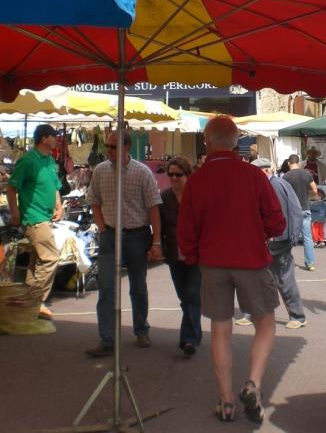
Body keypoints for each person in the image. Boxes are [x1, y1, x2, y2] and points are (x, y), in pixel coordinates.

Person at [178, 116, 285, 424]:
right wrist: (260, 233)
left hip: (212, 263)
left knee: (220, 330)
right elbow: (277, 221)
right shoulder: (253, 175)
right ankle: (253, 383)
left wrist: (196, 256)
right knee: (265, 323)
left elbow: (186, 231)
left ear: (207, 141)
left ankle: (226, 402)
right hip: (251, 259)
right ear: (237, 141)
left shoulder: (196, 180)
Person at [85, 130, 163, 358]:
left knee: (138, 286)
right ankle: (106, 339)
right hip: (110, 234)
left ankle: (141, 330)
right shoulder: (100, 171)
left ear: (127, 148)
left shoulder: (142, 172)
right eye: (107, 147)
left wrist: (156, 241)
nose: (108, 151)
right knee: (107, 287)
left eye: (113, 147)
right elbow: (93, 201)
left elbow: (153, 208)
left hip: (137, 236)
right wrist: (101, 227)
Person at [7, 124, 63, 320]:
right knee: (50, 258)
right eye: (54, 136)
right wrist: (15, 212)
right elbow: (11, 188)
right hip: (34, 218)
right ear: (44, 138)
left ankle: (27, 304)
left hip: (45, 217)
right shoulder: (28, 161)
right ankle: (35, 302)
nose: (57, 139)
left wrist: (59, 206)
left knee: (37, 261)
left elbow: (55, 186)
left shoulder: (49, 160)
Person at [251, 157, 307, 329]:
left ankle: (297, 315)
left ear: (266, 170)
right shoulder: (274, 184)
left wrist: (283, 235)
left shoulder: (273, 185)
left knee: (283, 277)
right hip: (275, 237)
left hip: (277, 238)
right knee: (266, 277)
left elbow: (286, 212)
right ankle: (258, 312)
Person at [159, 157, 201, 356]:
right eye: (171, 174)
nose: (174, 178)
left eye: (178, 174)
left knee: (192, 296)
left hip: (196, 254)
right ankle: (195, 331)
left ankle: (188, 340)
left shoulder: (197, 196)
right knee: (184, 298)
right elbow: (158, 226)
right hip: (174, 255)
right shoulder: (164, 198)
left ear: (188, 175)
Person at [283, 154, 318, 271]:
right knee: (308, 238)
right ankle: (310, 263)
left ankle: (286, 263)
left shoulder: (286, 176)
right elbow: (315, 189)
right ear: (298, 162)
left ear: (289, 163)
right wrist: (310, 196)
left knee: (289, 237)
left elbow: (283, 194)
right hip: (305, 208)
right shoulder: (306, 174)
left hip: (292, 211)